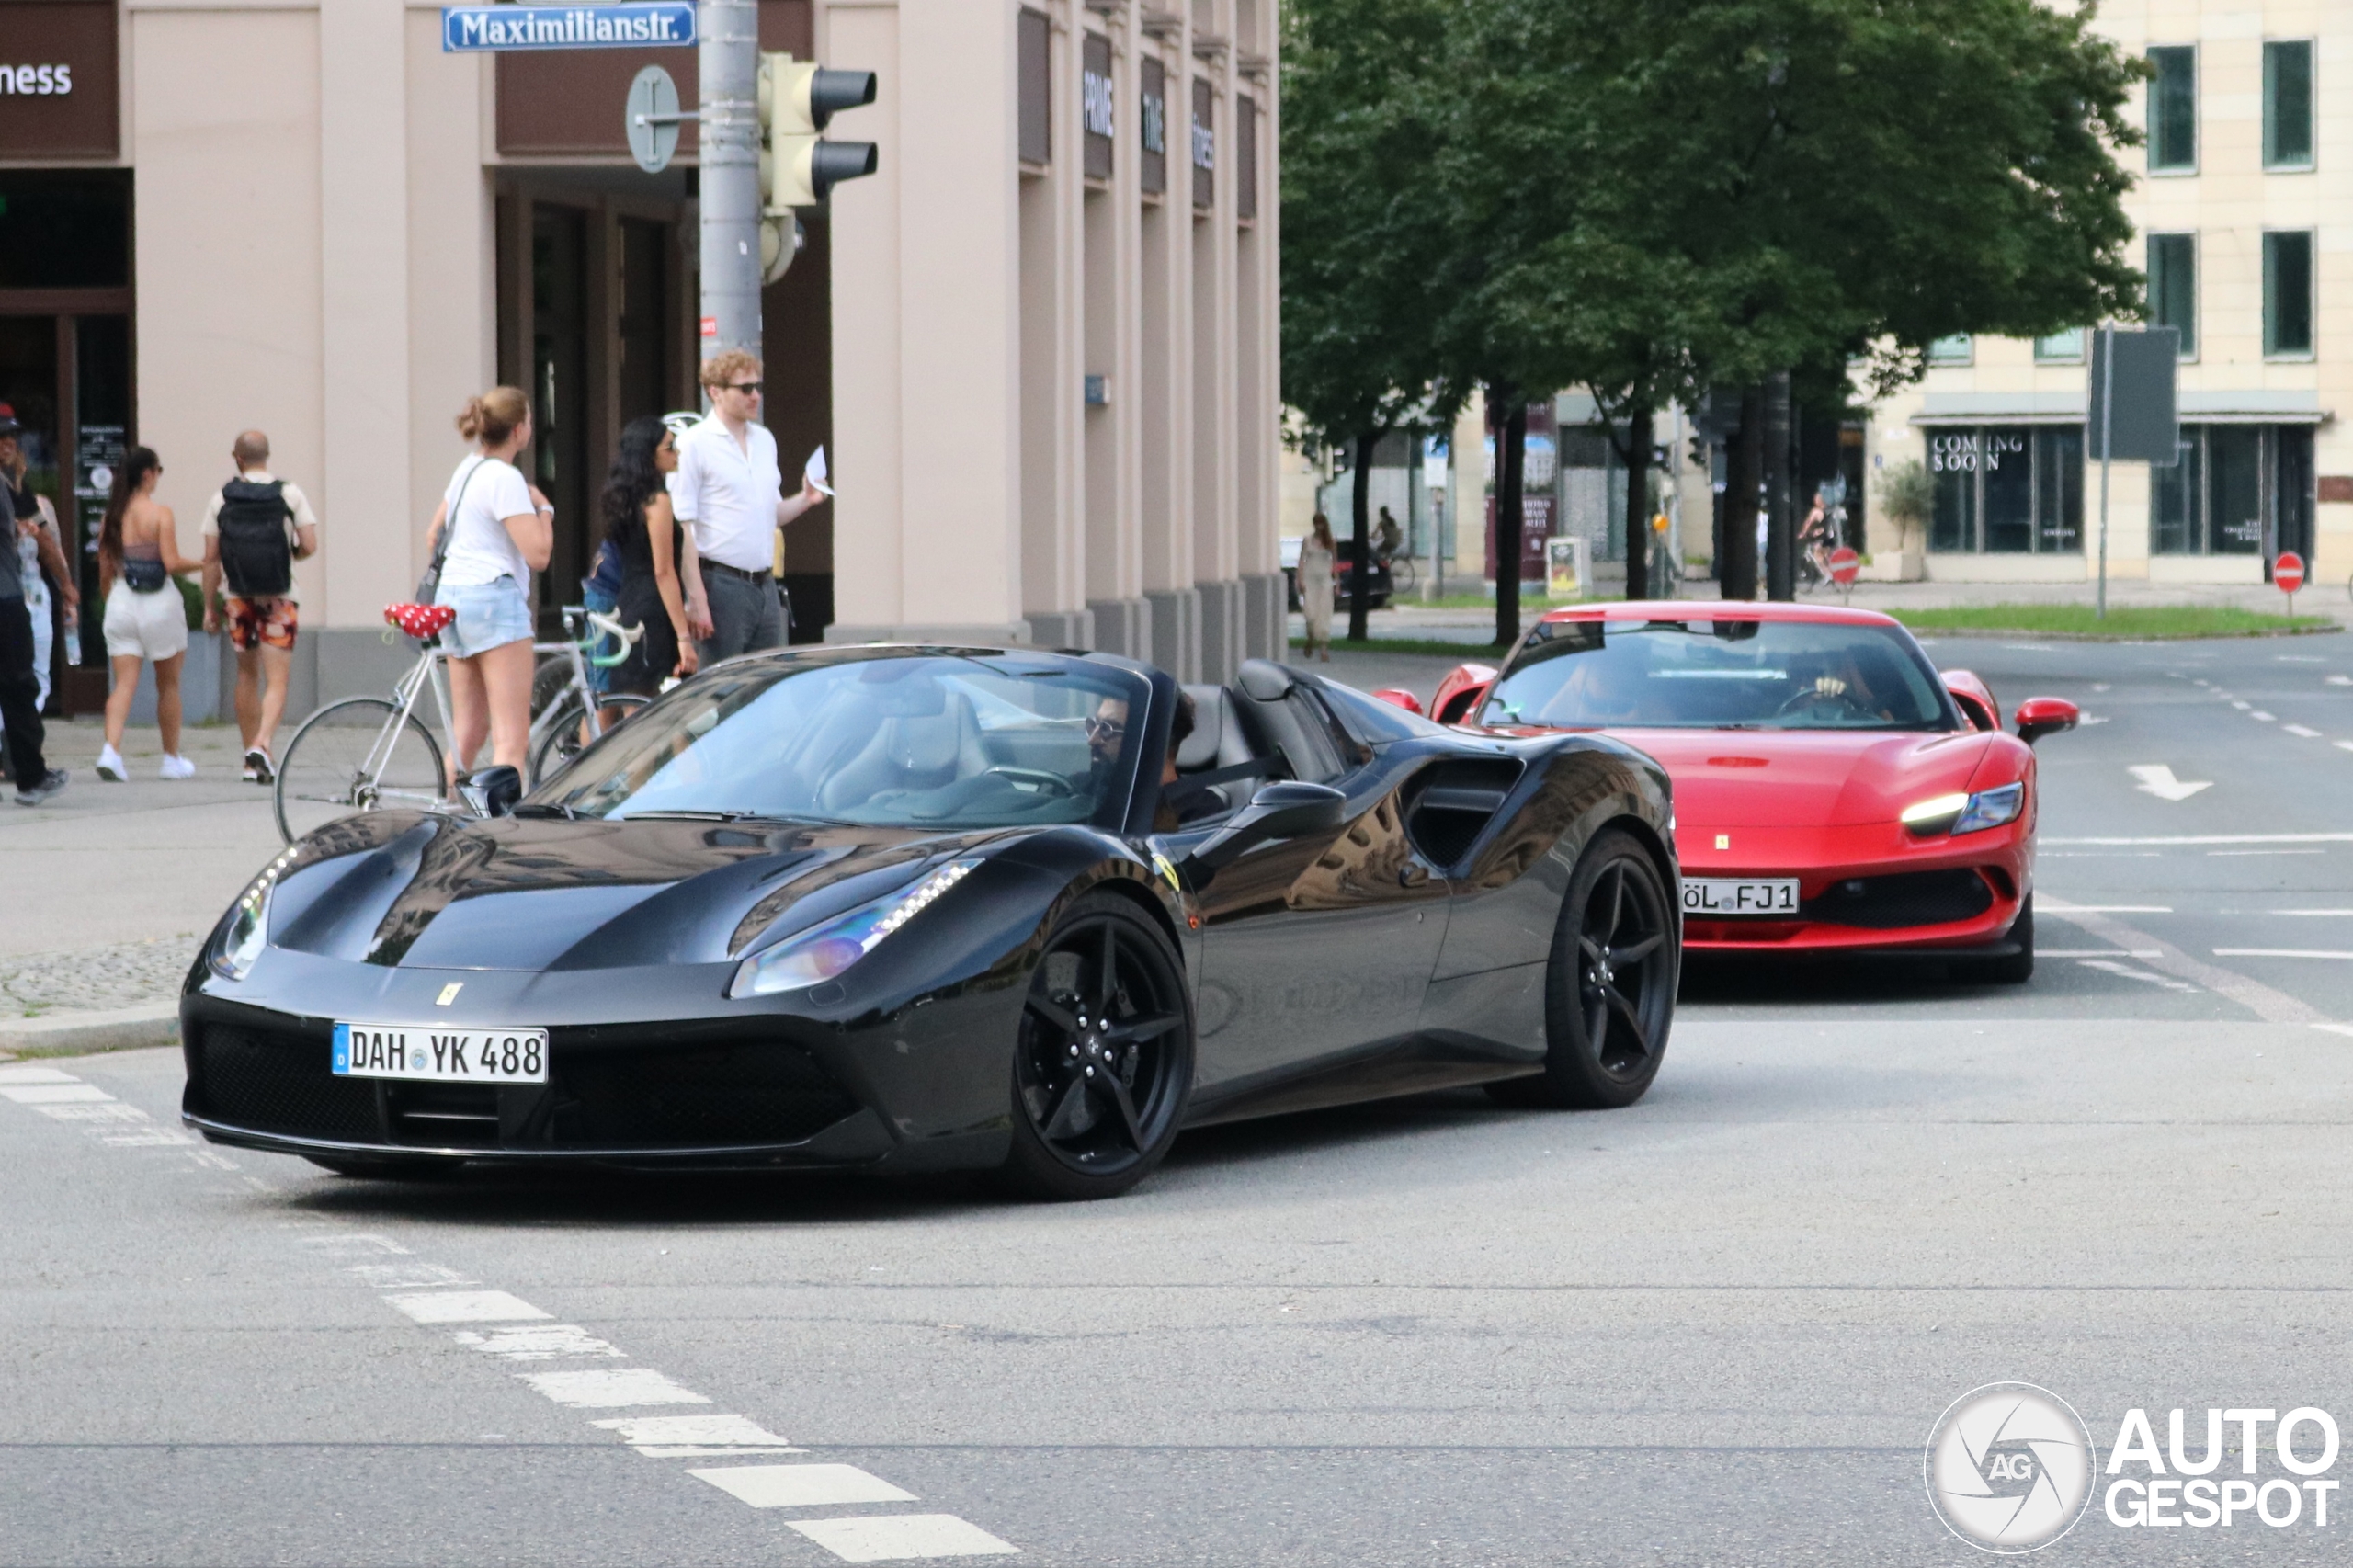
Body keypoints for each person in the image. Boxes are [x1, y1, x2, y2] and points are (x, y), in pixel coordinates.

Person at [669, 350, 826, 665]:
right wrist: (697, 598)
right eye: (744, 389)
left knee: (767, 685)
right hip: (720, 583)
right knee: (720, 689)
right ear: (715, 392)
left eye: (757, 387)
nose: (755, 396)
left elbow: (770, 515)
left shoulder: (764, 440)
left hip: (765, 583)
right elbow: (683, 527)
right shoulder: (694, 443)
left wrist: (805, 499)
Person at [426, 387, 552, 777]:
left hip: (453, 599)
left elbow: (434, 534)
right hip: (493, 599)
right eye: (529, 420)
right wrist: (544, 508)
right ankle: (505, 830)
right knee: (511, 740)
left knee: (467, 731)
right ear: (518, 430)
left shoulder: (467, 469)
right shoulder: (505, 478)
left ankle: (446, 812)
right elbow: (539, 555)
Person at [199, 430, 320, 783]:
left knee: (246, 675)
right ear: (267, 455)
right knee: (277, 680)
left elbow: (210, 558)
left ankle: (250, 762)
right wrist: (288, 556)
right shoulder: (289, 493)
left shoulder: (221, 498)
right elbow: (310, 543)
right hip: (279, 595)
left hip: (237, 596)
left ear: (236, 457)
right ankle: (263, 744)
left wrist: (209, 606)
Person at [97, 448, 200, 781]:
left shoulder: (111, 517)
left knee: (123, 684)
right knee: (168, 685)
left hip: (122, 599)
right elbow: (171, 562)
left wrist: (109, 599)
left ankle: (111, 751)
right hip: (159, 603)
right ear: (147, 474)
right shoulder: (161, 514)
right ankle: (171, 758)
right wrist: (206, 562)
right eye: (159, 470)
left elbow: (104, 567)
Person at [600, 416, 701, 696]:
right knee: (657, 709)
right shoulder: (657, 501)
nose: (677, 453)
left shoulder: (623, 497)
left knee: (633, 702)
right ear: (648, 454)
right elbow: (664, 570)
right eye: (669, 447)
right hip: (654, 609)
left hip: (628, 601)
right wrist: (683, 637)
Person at [0, 407, 70, 804]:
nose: (9, 443)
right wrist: (67, 584)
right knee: (20, 685)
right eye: (1, 438)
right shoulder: (7, 487)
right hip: (6, 598)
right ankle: (31, 777)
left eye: (12, 436)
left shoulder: (12, 486)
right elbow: (43, 540)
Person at [1296, 514, 1336, 662]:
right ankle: (1310, 638)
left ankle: (1324, 650)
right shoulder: (1307, 540)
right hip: (1310, 581)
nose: (1319, 526)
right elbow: (1301, 561)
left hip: (1325, 582)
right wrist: (1300, 580)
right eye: (1316, 523)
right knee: (1310, 615)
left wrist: (1337, 583)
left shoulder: (1330, 541)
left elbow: (1335, 563)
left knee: (1324, 614)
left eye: (1321, 523)